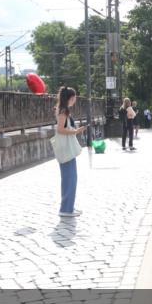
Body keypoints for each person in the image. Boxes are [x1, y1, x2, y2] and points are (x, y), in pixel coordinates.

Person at [55, 87, 87, 218]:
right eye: (73, 98)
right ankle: (66, 209)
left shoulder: (61, 109)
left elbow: (63, 128)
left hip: (65, 148)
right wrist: (76, 131)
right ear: (69, 98)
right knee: (70, 178)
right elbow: (60, 130)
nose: (74, 101)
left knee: (69, 178)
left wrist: (73, 129)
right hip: (66, 148)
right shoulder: (63, 111)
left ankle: (68, 206)